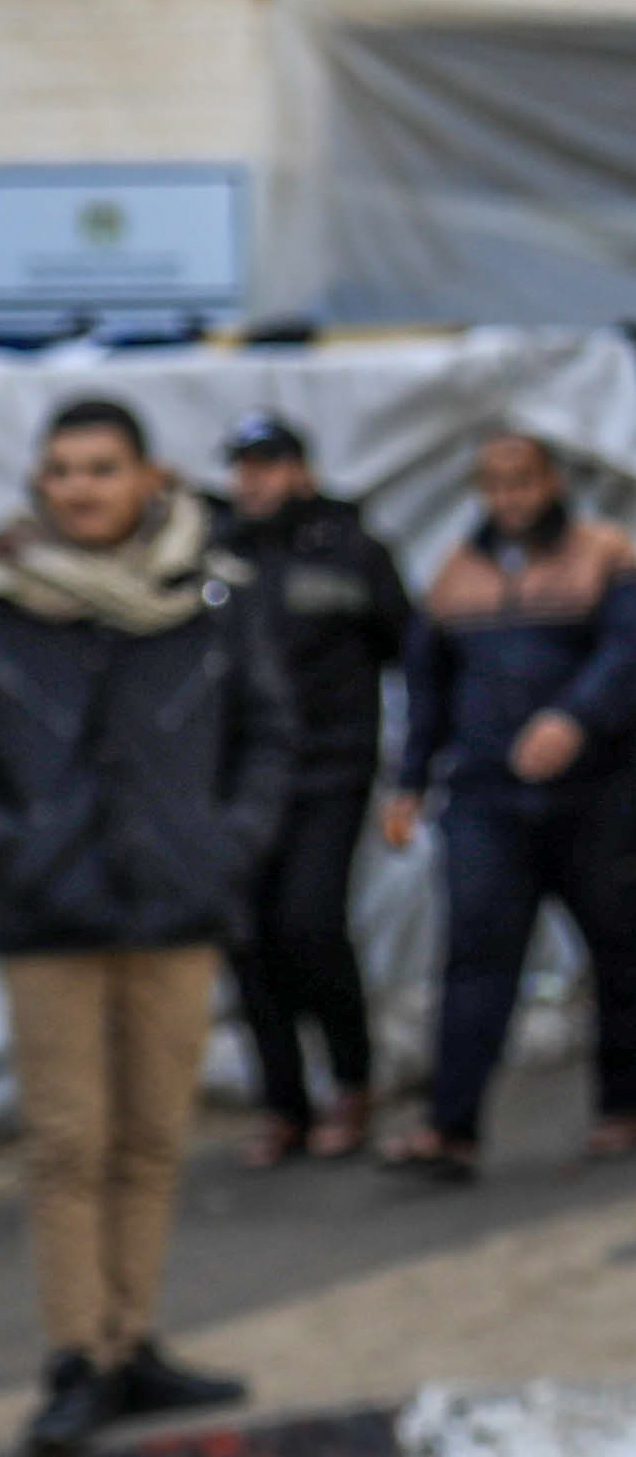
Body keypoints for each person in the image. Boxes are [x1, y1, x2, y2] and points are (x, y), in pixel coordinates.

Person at [0, 398, 288, 1457]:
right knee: (70, 1142)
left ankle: (133, 1340)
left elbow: (268, 729)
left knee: (153, 1137)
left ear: (148, 479)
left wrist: (229, 840)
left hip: (174, 899)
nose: (80, 488)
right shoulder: (14, 604)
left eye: (101, 468)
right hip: (50, 910)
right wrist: (21, 849)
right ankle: (78, 1353)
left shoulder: (210, 600)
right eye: (62, 470)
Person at [379, 428, 636, 1183]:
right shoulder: (457, 574)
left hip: (592, 790)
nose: (510, 498)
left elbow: (627, 653)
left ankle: (622, 1099)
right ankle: (452, 1123)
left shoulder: (606, 556)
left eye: (523, 481)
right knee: (475, 955)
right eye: (495, 484)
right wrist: (409, 782)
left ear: (552, 482)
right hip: (487, 795)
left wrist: (576, 717)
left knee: (615, 946)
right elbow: (427, 685)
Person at [213, 409, 406, 1164]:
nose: (255, 480)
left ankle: (352, 1080)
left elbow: (403, 642)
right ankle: (283, 1101)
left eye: (268, 463)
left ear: (302, 468)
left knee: (311, 922)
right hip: (237, 783)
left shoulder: (350, 550)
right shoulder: (218, 557)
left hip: (328, 767)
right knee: (249, 938)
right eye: (244, 465)